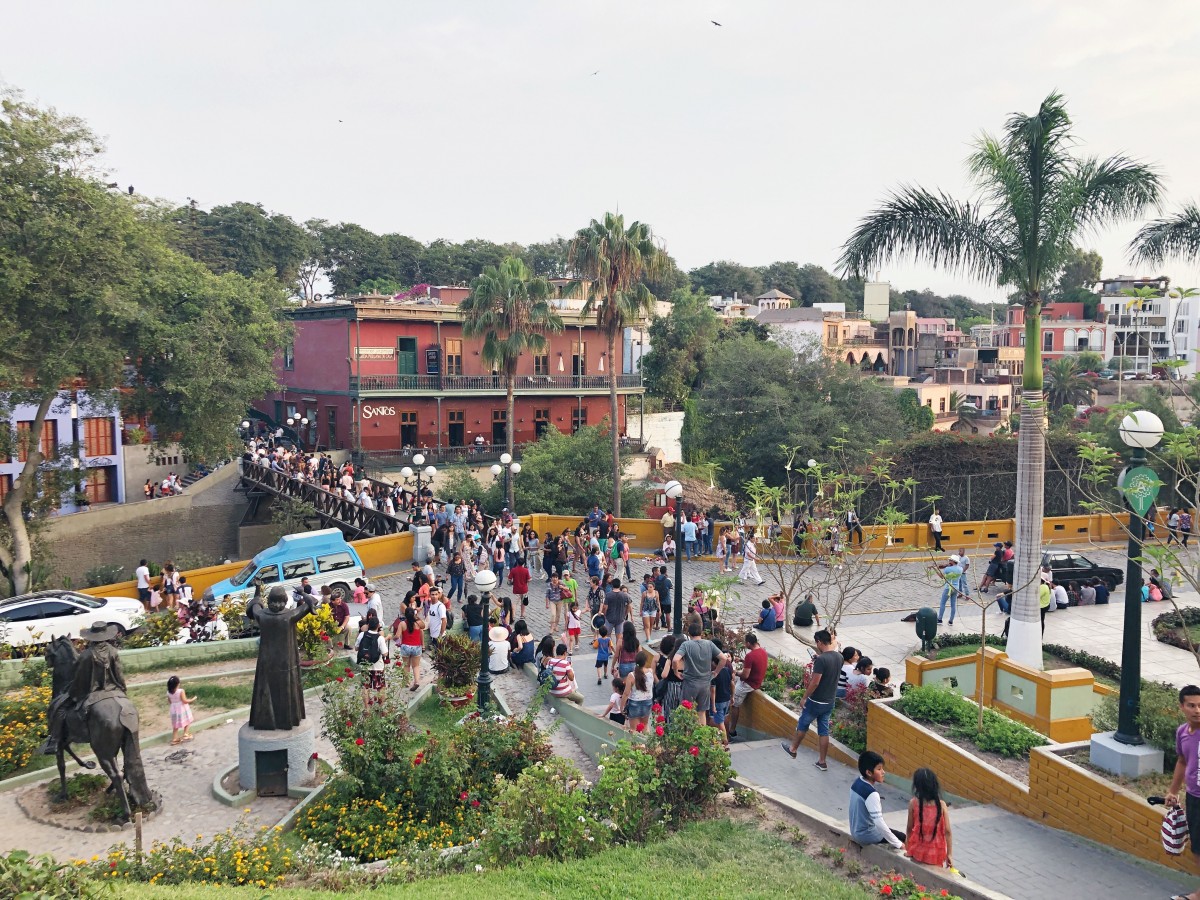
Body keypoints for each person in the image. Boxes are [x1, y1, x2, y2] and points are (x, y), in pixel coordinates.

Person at [781, 629, 842, 770]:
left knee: (803, 724)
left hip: (816, 701)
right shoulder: (839, 657)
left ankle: (793, 749)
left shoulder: (821, 660)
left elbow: (815, 682)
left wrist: (804, 697)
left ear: (820, 642)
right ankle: (822, 761)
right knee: (824, 730)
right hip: (829, 700)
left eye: (817, 642)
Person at [1167, 684, 1200, 895]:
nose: (1197, 710)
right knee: (1197, 849)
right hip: (1194, 797)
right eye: (1192, 705)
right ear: (1182, 706)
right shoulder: (1183, 732)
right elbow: (1181, 761)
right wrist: (1172, 791)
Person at [849, 750, 905, 849]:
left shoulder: (857, 783)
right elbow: (879, 823)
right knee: (902, 838)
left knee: (897, 834)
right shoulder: (871, 794)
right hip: (866, 835)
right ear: (869, 772)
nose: (883, 772)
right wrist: (899, 844)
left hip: (855, 830)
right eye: (879, 769)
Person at [672, 621, 729, 717]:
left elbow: (675, 660)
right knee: (702, 712)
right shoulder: (709, 644)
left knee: (687, 712)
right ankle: (702, 731)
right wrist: (716, 672)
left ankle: (688, 732)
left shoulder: (686, 645)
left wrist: (676, 672)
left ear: (689, 634)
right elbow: (723, 658)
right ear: (701, 633)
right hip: (705, 683)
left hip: (690, 683)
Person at [905, 767, 953, 868]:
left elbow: (909, 829)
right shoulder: (942, 805)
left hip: (917, 851)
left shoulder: (913, 803)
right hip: (935, 854)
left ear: (917, 787)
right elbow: (947, 831)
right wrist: (949, 854)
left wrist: (907, 848)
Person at [728, 632, 768, 739]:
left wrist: (735, 672)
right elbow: (755, 663)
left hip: (749, 684)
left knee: (734, 703)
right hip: (757, 681)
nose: (745, 645)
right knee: (732, 681)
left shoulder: (750, 655)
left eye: (746, 643)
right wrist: (742, 660)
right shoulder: (762, 651)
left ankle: (732, 730)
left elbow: (745, 675)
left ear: (749, 643)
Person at [621, 648, 656, 731]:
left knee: (633, 729)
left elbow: (626, 693)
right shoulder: (650, 672)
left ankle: (636, 744)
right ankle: (647, 743)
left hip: (634, 703)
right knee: (645, 726)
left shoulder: (632, 675)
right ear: (646, 661)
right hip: (647, 701)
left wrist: (622, 707)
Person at [354, 614, 388, 695]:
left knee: (365, 687)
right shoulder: (380, 638)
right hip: (377, 666)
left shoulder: (362, 634)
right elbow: (385, 653)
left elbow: (356, 648)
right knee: (380, 688)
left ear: (368, 625)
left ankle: (366, 708)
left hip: (365, 665)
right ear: (378, 626)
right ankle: (381, 706)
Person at [394, 606, 425, 690]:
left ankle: (407, 682)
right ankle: (417, 681)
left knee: (406, 666)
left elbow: (397, 636)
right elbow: (423, 626)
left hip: (405, 647)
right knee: (416, 666)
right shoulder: (418, 623)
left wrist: (393, 638)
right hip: (416, 647)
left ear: (405, 615)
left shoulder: (402, 624)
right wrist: (417, 617)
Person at [709, 641, 733, 746]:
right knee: (724, 717)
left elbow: (713, 691)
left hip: (718, 701)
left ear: (715, 663)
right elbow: (732, 683)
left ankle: (725, 741)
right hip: (727, 699)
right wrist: (732, 697)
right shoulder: (727, 670)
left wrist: (713, 705)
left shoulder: (714, 675)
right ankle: (724, 738)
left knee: (720, 722)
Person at [935, 555, 963, 626]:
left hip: (948, 587)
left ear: (953, 561)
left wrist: (936, 569)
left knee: (943, 603)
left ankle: (940, 619)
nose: (949, 561)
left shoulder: (948, 569)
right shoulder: (960, 569)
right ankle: (951, 621)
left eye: (950, 560)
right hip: (956, 588)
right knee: (953, 605)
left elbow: (942, 577)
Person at [167, 675, 194, 745]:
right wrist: (192, 699)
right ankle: (185, 734)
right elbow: (184, 701)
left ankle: (174, 739)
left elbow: (170, 702)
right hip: (182, 708)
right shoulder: (181, 691)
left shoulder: (168, 692)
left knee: (175, 725)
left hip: (174, 709)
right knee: (188, 720)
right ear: (177, 684)